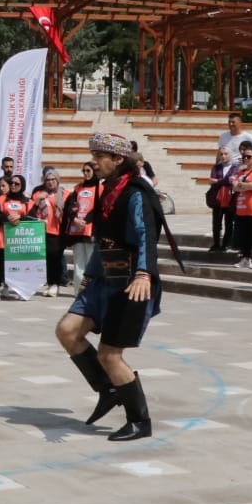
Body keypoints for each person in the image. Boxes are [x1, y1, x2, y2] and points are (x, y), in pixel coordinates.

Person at [54, 133, 165, 443]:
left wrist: (144, 273)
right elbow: (102, 240)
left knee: (110, 355)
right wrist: (88, 276)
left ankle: (139, 421)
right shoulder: (107, 190)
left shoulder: (136, 193)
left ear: (118, 160)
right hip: (102, 278)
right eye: (93, 154)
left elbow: (146, 236)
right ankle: (108, 389)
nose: (94, 161)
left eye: (100, 155)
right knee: (67, 331)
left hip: (131, 283)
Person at [29, 166, 68, 296]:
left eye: (53, 179)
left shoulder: (65, 194)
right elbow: (30, 210)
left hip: (58, 231)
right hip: (42, 230)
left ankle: (55, 284)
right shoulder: (38, 194)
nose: (50, 182)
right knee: (46, 259)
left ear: (57, 180)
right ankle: (50, 283)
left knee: (56, 259)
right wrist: (38, 199)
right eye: (48, 180)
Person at [62, 162, 100, 292]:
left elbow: (99, 209)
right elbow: (69, 206)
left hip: (90, 231)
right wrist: (75, 219)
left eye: (88, 170)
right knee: (78, 265)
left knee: (91, 264)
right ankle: (79, 292)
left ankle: (91, 291)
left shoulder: (100, 187)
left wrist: (85, 220)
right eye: (84, 171)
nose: (86, 173)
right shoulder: (78, 188)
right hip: (77, 231)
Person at [229, 143, 252, 270]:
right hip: (241, 208)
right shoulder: (242, 172)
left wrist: (241, 185)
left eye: (249, 157)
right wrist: (242, 185)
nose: (245, 159)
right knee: (243, 235)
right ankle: (245, 258)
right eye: (244, 156)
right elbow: (234, 186)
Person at [205, 149, 236, 252]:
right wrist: (226, 181)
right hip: (217, 199)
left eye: (226, 154)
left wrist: (218, 181)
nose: (223, 156)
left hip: (230, 199)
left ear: (230, 155)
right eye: (221, 154)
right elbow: (212, 181)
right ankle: (216, 244)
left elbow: (232, 181)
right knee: (216, 223)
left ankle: (226, 244)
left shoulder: (235, 168)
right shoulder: (216, 168)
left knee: (229, 222)